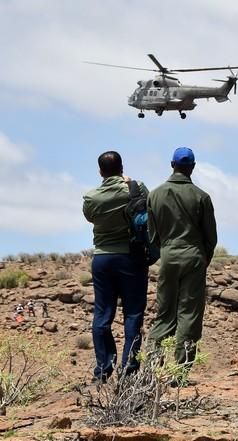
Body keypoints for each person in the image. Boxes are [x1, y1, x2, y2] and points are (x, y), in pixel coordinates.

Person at [147, 147, 217, 366]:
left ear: (172, 165)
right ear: (193, 168)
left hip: (168, 255)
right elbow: (211, 237)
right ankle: (181, 369)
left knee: (165, 311)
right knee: (189, 313)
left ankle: (153, 367)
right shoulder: (202, 197)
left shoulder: (155, 194)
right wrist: (203, 258)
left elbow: (152, 234)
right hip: (195, 256)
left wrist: (166, 249)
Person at [83, 151, 149, 382]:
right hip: (131, 257)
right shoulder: (136, 187)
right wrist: (129, 185)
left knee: (102, 315)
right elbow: (146, 212)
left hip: (102, 259)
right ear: (122, 167)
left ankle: (103, 370)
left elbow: (90, 218)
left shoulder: (91, 198)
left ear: (100, 171)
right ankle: (129, 372)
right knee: (132, 314)